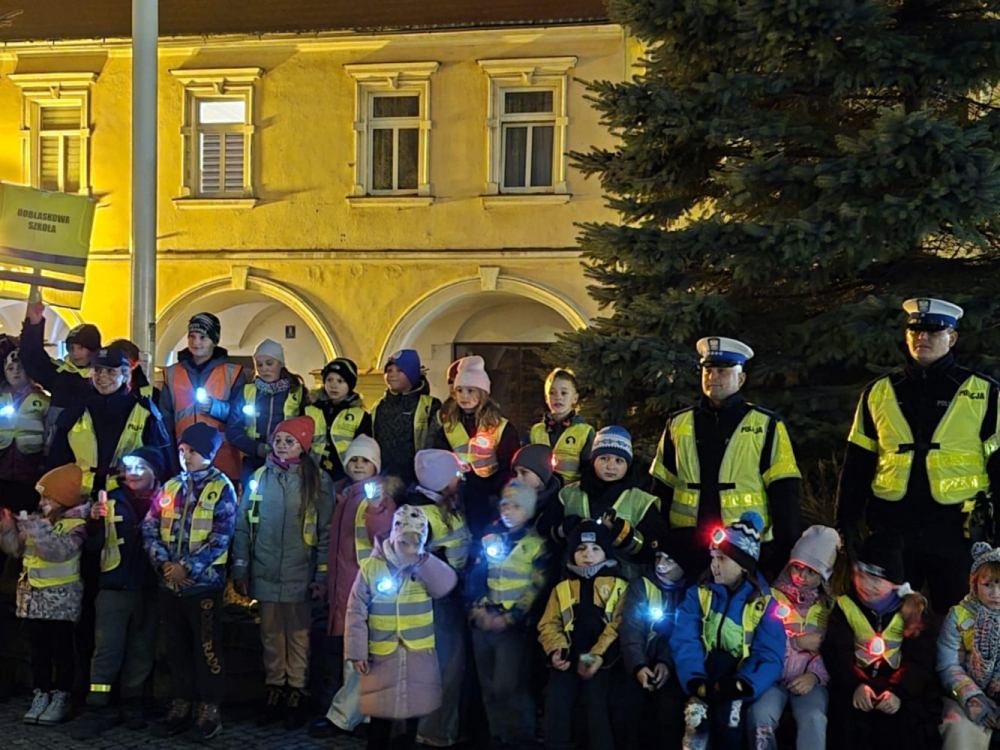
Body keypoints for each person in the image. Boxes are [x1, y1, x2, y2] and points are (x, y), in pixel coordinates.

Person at [838, 298, 1000, 612]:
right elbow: (857, 464)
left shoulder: (985, 393)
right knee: (887, 620)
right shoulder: (879, 392)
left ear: (952, 337)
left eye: (933, 331)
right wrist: (846, 523)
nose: (922, 337)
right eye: (915, 330)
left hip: (959, 530)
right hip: (893, 527)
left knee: (960, 620)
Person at [650, 336, 803, 578]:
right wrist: (662, 539)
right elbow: (661, 488)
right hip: (687, 545)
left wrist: (783, 552)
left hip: (747, 548)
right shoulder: (678, 424)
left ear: (740, 379)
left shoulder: (767, 425)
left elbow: (785, 492)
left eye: (722, 371)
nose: (713, 377)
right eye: (708, 371)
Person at [232, 415, 335, 729]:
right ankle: (274, 688)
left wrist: (321, 578)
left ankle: (296, 690)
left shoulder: (317, 481)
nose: (282, 446)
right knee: (271, 634)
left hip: (299, 572)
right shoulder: (260, 477)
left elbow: (325, 533)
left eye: (290, 441)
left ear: (303, 446)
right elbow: (244, 525)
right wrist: (241, 566)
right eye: (278, 440)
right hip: (265, 569)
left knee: (299, 635)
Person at [142, 423, 238, 742]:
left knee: (206, 648)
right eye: (183, 451)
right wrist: (164, 565)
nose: (186, 457)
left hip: (203, 586)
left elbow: (221, 536)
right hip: (170, 585)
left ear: (208, 454)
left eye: (193, 451)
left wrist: (187, 567)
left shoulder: (221, 488)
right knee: (176, 647)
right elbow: (150, 526)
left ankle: (209, 708)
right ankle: (181, 702)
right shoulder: (171, 486)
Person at [344, 504, 459, 750]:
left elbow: (445, 585)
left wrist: (423, 560)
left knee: (413, 713)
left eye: (415, 541)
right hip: (381, 654)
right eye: (405, 541)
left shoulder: (425, 567)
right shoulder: (372, 567)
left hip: (418, 653)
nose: (409, 547)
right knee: (380, 713)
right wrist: (357, 652)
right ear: (395, 535)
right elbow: (356, 610)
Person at [70, 447, 166, 739]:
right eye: (129, 467)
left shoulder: (167, 500)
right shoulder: (110, 500)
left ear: (154, 472)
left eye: (140, 467)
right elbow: (93, 547)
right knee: (107, 649)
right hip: (114, 586)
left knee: (142, 649)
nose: (132, 473)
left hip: (149, 588)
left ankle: (132, 702)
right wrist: (95, 523)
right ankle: (97, 704)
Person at [670, 511, 786, 750]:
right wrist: (694, 679)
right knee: (694, 724)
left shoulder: (764, 605)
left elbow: (770, 655)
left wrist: (743, 685)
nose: (714, 565)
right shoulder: (699, 594)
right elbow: (685, 639)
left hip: (738, 680)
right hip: (704, 673)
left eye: (722, 559)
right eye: (712, 557)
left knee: (729, 729)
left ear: (743, 566)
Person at [311, 435, 397, 739]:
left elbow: (383, 536)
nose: (358, 465)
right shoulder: (345, 496)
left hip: (363, 589)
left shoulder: (378, 499)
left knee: (357, 653)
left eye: (365, 460)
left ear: (375, 465)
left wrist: (375, 508)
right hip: (348, 586)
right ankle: (365, 717)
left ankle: (343, 716)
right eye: (354, 460)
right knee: (357, 652)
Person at [822, 529, 939, 750]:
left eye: (876, 579)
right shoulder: (846, 606)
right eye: (861, 576)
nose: (867, 585)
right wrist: (856, 684)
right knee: (846, 724)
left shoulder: (913, 610)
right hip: (856, 686)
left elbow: (921, 660)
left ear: (894, 582)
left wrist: (898, 692)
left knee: (908, 726)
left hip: (898, 689)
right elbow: (837, 652)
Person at [0, 465, 89, 727]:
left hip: (61, 602)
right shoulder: (39, 520)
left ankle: (61, 695)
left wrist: (35, 526)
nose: (42, 503)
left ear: (64, 499)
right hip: (33, 599)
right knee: (38, 652)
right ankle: (41, 694)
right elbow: (15, 550)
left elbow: (57, 552)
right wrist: (8, 529)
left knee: (61, 651)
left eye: (47, 498)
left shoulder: (76, 525)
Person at [466, 481, 549, 749]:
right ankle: (497, 734)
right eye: (505, 505)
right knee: (488, 685)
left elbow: (536, 587)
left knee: (508, 685)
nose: (508, 511)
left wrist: (510, 618)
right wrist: (478, 607)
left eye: (516, 506)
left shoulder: (535, 545)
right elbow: (476, 575)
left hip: (513, 628)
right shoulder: (490, 539)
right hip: (484, 621)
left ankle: (520, 736)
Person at [537, 519, 627, 750]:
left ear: (606, 553)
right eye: (581, 548)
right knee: (556, 701)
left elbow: (618, 624)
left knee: (596, 704)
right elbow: (549, 624)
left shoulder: (618, 585)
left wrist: (597, 655)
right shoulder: (562, 588)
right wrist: (557, 650)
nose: (588, 554)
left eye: (596, 548)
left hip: (601, 658)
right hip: (569, 655)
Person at [748, 525, 840, 750]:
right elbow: (758, 639)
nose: (801, 576)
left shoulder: (828, 608)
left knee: (814, 717)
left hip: (809, 681)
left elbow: (832, 651)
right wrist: (795, 643)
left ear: (824, 575)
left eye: (811, 571)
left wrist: (815, 676)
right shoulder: (769, 598)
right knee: (760, 715)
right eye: (797, 567)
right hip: (771, 678)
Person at [405, 449, 472, 747]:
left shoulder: (441, 505)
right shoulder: (423, 514)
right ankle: (432, 734)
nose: (460, 479)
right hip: (437, 600)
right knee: (445, 667)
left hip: (446, 595)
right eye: (455, 474)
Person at [540, 426, 668, 579]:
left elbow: (654, 549)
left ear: (628, 465)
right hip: (571, 582)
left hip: (622, 584)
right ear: (593, 460)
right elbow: (545, 534)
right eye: (604, 458)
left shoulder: (642, 501)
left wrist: (624, 535)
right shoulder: (567, 494)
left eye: (619, 460)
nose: (611, 466)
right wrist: (566, 528)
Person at [48, 346, 172, 499]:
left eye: (111, 371)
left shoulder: (144, 412)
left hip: (127, 499)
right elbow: (57, 461)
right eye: (98, 370)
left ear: (125, 375)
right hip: (80, 498)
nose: (102, 376)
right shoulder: (76, 412)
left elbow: (160, 463)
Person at [432, 355, 520, 537]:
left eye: (470, 390)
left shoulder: (500, 427)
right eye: (460, 390)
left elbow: (509, 465)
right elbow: (440, 461)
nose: (464, 396)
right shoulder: (448, 427)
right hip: (456, 497)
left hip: (489, 498)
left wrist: (499, 492)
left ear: (482, 392)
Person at [160, 312, 246, 483]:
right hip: (184, 460)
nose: (196, 342)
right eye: (192, 336)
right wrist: (169, 457)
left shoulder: (233, 373)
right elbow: (165, 420)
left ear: (214, 340)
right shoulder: (172, 373)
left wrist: (215, 407)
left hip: (223, 460)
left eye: (203, 337)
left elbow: (241, 416)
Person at [615, 548, 687, 750]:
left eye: (670, 559)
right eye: (658, 557)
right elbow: (631, 629)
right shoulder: (642, 586)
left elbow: (683, 634)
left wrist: (665, 662)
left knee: (669, 709)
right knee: (629, 705)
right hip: (639, 661)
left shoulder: (690, 592)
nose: (660, 565)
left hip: (672, 665)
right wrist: (638, 666)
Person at [937, 541, 1000, 749]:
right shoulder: (959, 616)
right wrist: (970, 696)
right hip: (966, 692)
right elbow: (948, 664)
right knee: (959, 730)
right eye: (987, 585)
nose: (995, 593)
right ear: (974, 584)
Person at [227, 338, 310, 487]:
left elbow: (308, 428)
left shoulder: (298, 393)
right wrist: (257, 448)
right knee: (252, 499)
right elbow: (233, 428)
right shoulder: (246, 391)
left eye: (269, 363)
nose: (264, 368)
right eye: (259, 364)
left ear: (281, 363)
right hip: (253, 460)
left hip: (289, 462)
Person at [20, 301, 100, 449]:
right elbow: (33, 360)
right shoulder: (62, 374)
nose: (75, 353)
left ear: (94, 349)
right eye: (71, 348)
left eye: (81, 348)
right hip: (58, 447)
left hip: (92, 450)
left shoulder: (103, 378)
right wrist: (34, 325)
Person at [371, 349, 441, 486]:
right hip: (384, 478)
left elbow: (436, 443)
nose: (392, 375)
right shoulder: (379, 405)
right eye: (389, 370)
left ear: (412, 374)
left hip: (417, 479)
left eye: (399, 370)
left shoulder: (429, 405)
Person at [0, 349, 50, 512]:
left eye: (20, 368)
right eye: (10, 368)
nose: (15, 372)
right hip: (3, 465)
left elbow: (50, 432)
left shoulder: (43, 400)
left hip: (30, 466)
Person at [310, 358, 373, 485]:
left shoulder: (359, 415)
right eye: (329, 380)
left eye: (340, 381)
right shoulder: (310, 409)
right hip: (313, 472)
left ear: (350, 384)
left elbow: (364, 449)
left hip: (344, 476)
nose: (333, 385)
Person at [529, 368, 595, 485]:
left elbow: (589, 471)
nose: (558, 397)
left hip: (570, 491)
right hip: (541, 491)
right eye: (552, 393)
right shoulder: (536, 431)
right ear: (546, 398)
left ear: (575, 398)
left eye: (564, 393)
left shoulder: (585, 432)